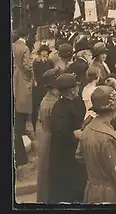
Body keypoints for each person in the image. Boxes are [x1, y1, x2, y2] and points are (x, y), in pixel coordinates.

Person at [75, 85, 116, 204]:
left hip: (91, 189)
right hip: (109, 193)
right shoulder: (110, 137)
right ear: (114, 110)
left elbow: (79, 156)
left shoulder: (87, 129)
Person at [48, 73, 87, 203]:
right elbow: (59, 131)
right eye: (76, 87)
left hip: (71, 152)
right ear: (71, 90)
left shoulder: (72, 102)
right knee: (68, 189)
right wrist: (74, 134)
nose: (78, 89)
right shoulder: (60, 108)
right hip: (64, 155)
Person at [36, 68, 61, 203]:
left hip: (47, 136)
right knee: (48, 171)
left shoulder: (49, 99)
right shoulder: (51, 103)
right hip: (50, 138)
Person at [13, 27, 33, 167]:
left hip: (13, 75)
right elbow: (27, 66)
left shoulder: (13, 46)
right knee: (21, 104)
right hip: (20, 78)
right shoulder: (24, 47)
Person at [32, 43, 54, 132]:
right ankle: (39, 115)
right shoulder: (36, 62)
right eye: (43, 51)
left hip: (47, 83)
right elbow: (34, 72)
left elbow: (52, 71)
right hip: (40, 83)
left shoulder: (49, 61)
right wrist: (35, 81)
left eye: (46, 51)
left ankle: (44, 115)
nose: (44, 53)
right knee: (39, 99)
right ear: (40, 52)